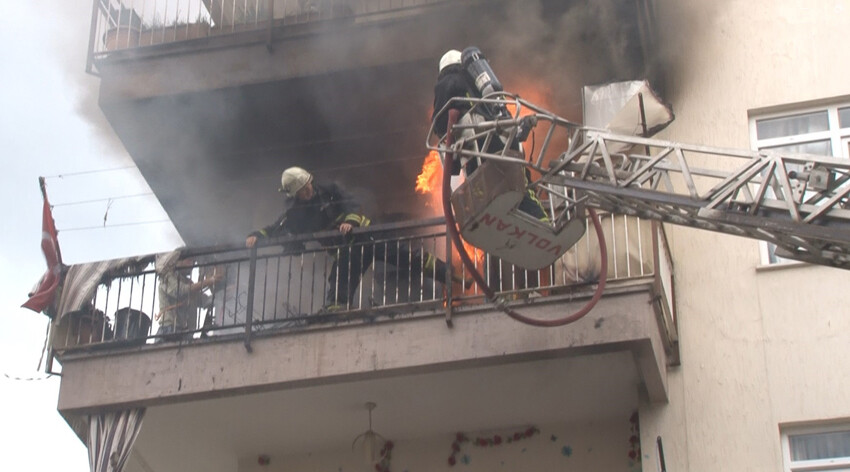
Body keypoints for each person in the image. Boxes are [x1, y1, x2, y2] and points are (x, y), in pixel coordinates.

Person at [246, 167, 469, 312]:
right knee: (340, 279)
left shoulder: (330, 190)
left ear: (310, 181)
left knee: (407, 256)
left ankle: (450, 275)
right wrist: (257, 236)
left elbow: (353, 203)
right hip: (346, 251)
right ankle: (336, 311)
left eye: (307, 187)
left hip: (367, 237)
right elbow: (277, 227)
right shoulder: (296, 212)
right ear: (295, 195)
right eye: (302, 192)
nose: (308, 193)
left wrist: (350, 223)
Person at [155, 250, 223, 342]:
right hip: (169, 330)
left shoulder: (187, 282)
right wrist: (208, 281)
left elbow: (203, 300)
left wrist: (223, 295)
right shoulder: (167, 277)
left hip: (184, 332)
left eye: (193, 262)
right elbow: (181, 291)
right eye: (190, 261)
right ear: (179, 261)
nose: (192, 265)